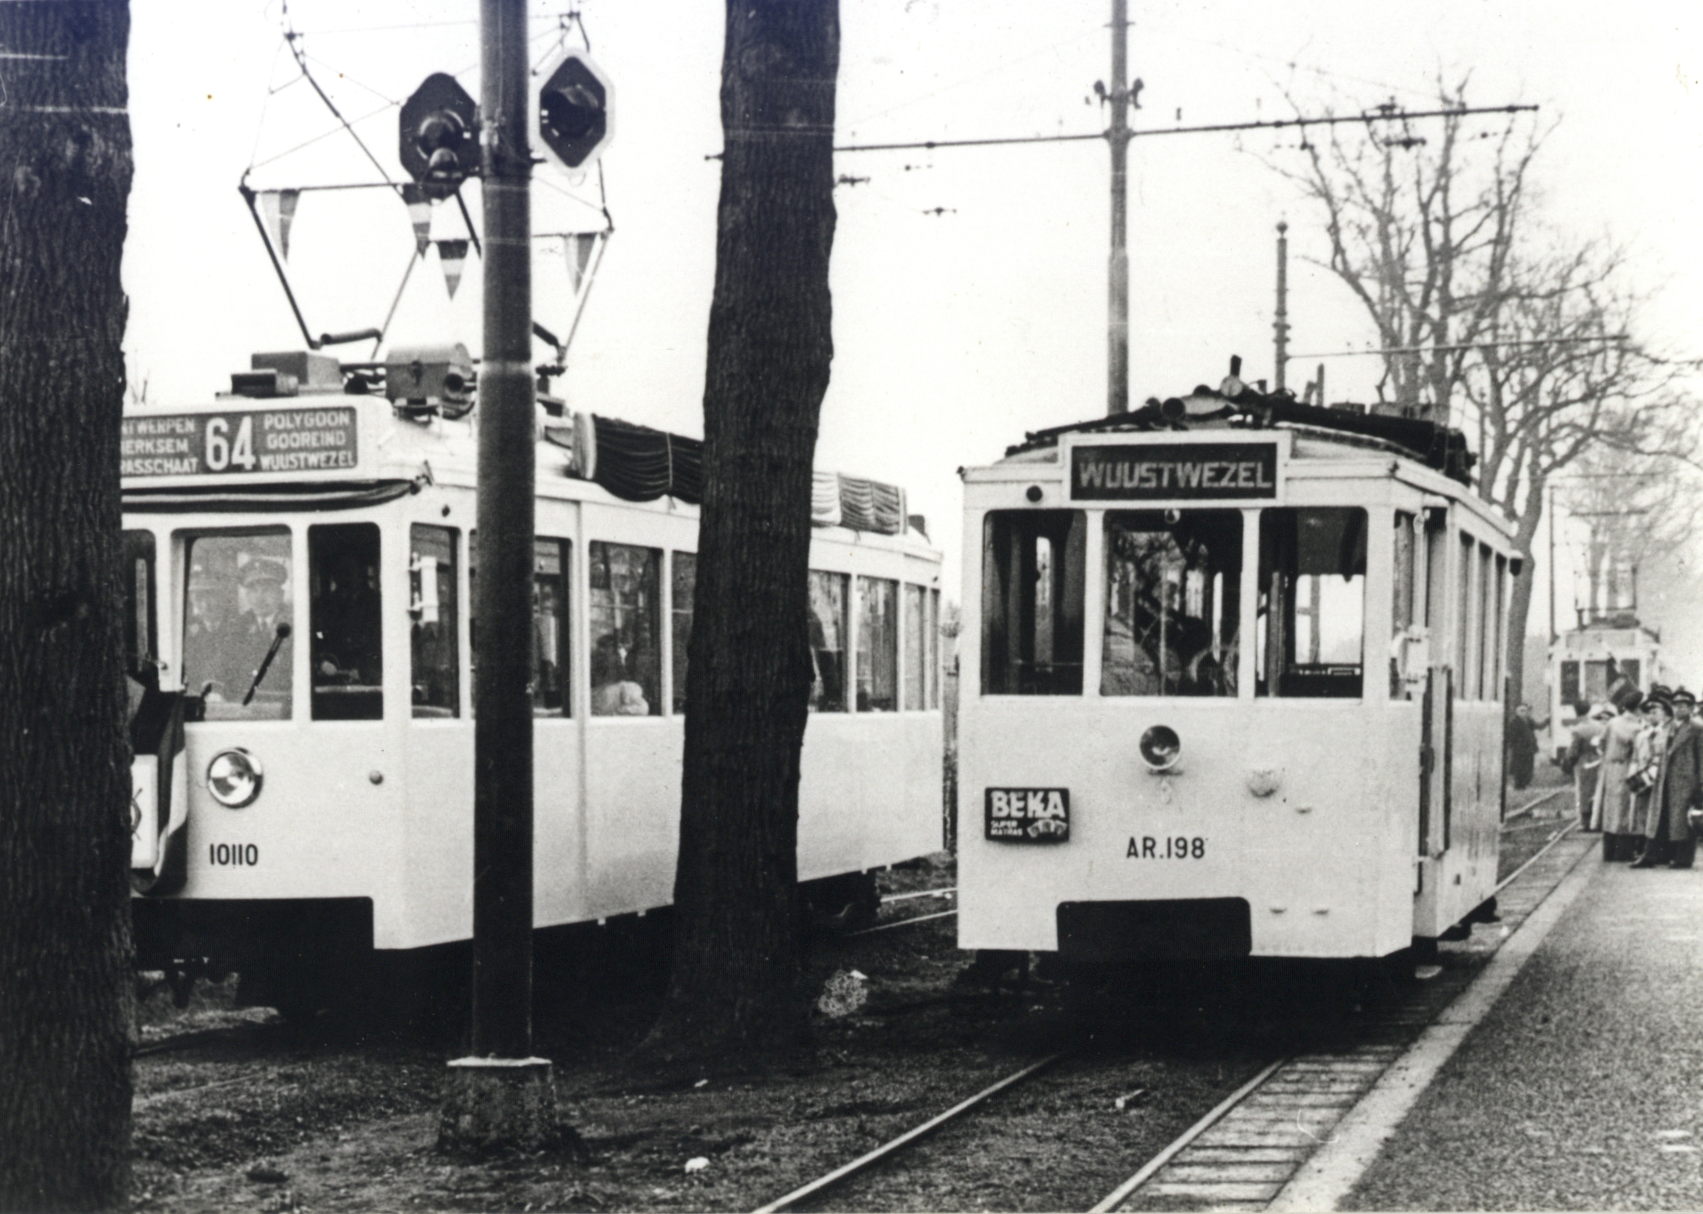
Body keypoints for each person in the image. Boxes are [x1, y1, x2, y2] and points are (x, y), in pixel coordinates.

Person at [1635, 685, 1703, 868]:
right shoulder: (1668, 727)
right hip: (1664, 779)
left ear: (1691, 708)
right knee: (1660, 817)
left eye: (1683, 705)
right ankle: (1654, 855)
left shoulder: (1697, 729)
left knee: (1682, 821)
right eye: (1675, 705)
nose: (1678, 709)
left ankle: (1683, 858)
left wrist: (1700, 785)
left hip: (1685, 782)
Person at [1594, 683, 1645, 861]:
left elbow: (1600, 744)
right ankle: (1623, 852)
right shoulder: (1637, 727)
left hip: (1610, 769)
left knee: (1610, 810)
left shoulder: (1612, 722)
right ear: (1638, 708)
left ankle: (1608, 852)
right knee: (1625, 809)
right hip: (1627, 768)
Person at [1625, 686, 1674, 863]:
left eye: (1655, 712)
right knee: (1641, 814)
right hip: (1642, 781)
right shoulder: (1642, 735)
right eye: (1648, 713)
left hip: (1659, 781)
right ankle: (1643, 848)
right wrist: (1633, 776)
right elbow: (1635, 758)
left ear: (1664, 713)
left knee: (1659, 816)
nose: (1651, 716)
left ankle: (1660, 852)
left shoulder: (1667, 734)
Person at [235, 557, 293, 699]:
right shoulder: (238, 625)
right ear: (247, 596)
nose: (259, 598)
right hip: (246, 700)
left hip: (286, 698)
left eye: (267, 590)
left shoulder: (295, 622)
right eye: (254, 591)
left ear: (280, 594)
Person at [1560, 700, 1608, 831]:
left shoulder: (1578, 729)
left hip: (1583, 762)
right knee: (1598, 790)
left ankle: (1585, 822)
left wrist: (1567, 761)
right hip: (1599, 760)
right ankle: (1598, 821)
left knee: (1583, 792)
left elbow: (1573, 750)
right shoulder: (1600, 726)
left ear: (1575, 711)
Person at [1505, 702, 1546, 791]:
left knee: (1529, 767)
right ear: (1517, 712)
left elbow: (1539, 726)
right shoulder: (1514, 723)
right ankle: (1519, 785)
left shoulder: (1529, 721)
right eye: (1521, 711)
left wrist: (1547, 720)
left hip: (1529, 749)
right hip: (1519, 750)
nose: (1524, 713)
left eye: (1525, 711)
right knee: (1519, 767)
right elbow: (1511, 737)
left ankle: (1525, 783)